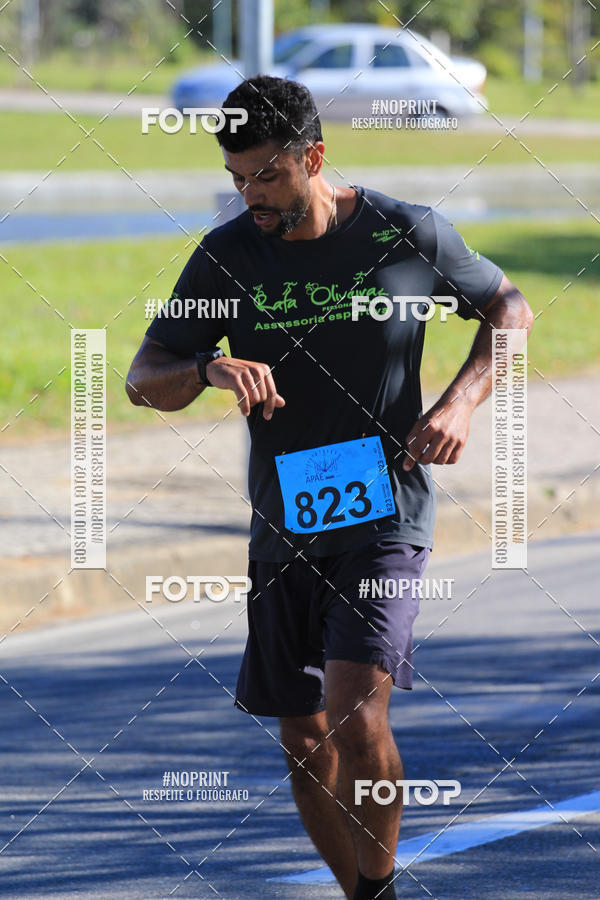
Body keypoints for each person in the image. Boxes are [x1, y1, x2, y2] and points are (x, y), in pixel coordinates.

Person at [126, 75, 533, 900]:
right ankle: (361, 893)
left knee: (356, 711)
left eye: (267, 176)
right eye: (237, 178)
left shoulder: (404, 232)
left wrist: (460, 402)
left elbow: (510, 309)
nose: (251, 194)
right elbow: (143, 378)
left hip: (387, 508)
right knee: (304, 737)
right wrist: (207, 368)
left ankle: (378, 890)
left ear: (313, 158)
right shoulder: (229, 254)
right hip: (283, 520)